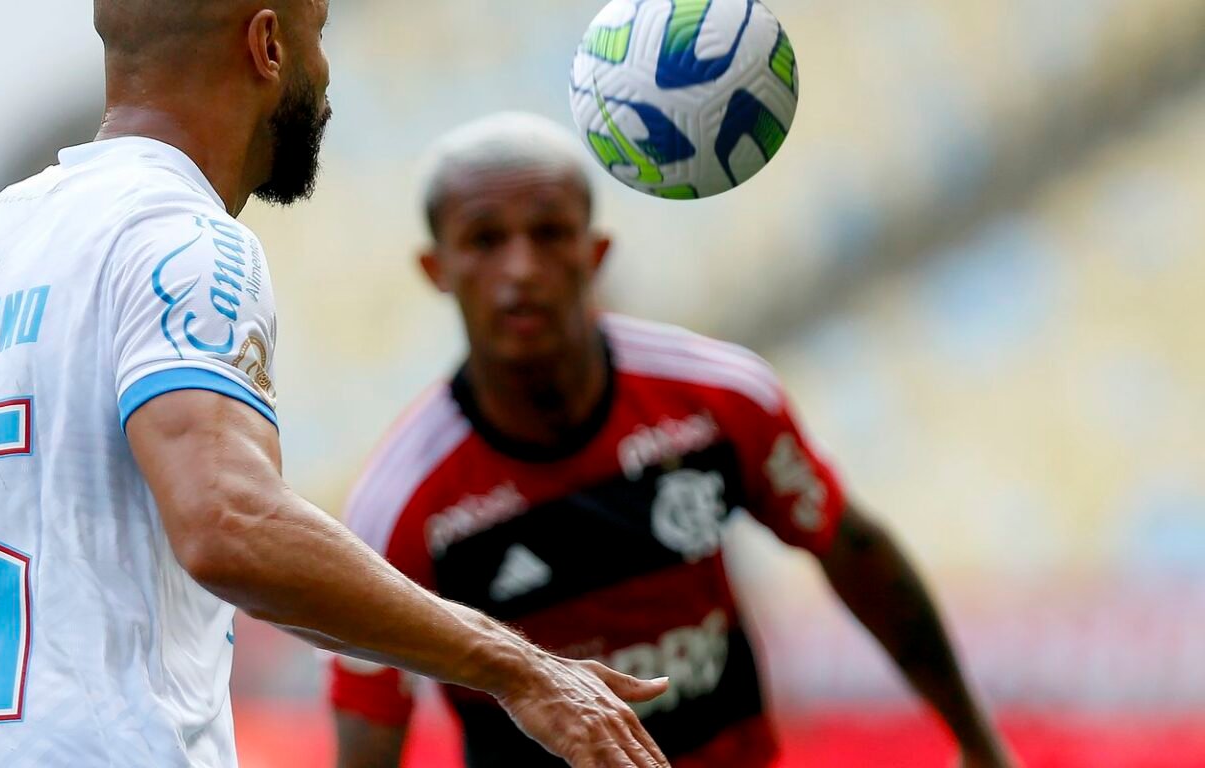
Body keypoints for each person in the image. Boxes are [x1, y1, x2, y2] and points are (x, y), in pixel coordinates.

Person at [0, 4, 672, 766]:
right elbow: (230, 525)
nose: (327, 72)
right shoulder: (183, 238)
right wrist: (514, 665)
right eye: (319, 33)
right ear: (267, 45)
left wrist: (13, 721)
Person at [328, 112, 1015, 768]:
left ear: (594, 254)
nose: (521, 269)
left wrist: (977, 741)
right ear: (436, 269)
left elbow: (853, 549)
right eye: (484, 240)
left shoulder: (718, 399)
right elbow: (368, 725)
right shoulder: (402, 502)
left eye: (549, 233)